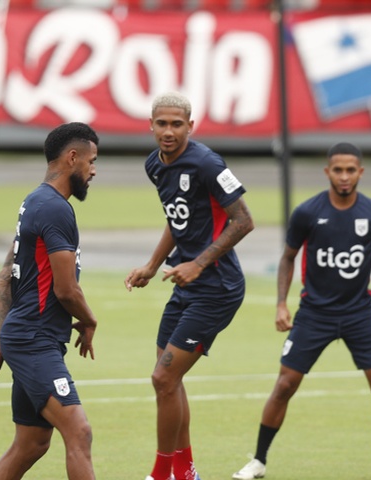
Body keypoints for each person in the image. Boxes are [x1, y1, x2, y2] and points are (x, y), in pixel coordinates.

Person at [233, 142, 371, 480]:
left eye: (350, 170)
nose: (344, 176)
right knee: (286, 384)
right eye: (338, 170)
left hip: (360, 313)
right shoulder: (306, 213)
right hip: (314, 313)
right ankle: (258, 461)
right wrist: (281, 304)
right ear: (327, 172)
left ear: (360, 172)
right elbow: (288, 258)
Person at [124, 91, 254, 480]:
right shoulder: (155, 165)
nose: (168, 131)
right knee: (169, 380)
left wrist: (198, 263)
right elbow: (176, 219)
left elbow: (244, 221)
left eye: (177, 124)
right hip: (186, 285)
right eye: (161, 124)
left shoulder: (207, 163)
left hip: (218, 287)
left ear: (190, 126)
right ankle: (185, 472)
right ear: (150, 126)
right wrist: (152, 265)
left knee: (162, 378)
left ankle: (162, 474)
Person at [0, 122, 100, 480]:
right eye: (91, 161)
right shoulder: (56, 209)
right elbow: (66, 290)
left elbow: (6, 277)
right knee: (79, 431)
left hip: (27, 337)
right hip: (35, 340)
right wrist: (89, 321)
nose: (94, 170)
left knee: (31, 443)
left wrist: (6, 339)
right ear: (72, 157)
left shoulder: (33, 201)